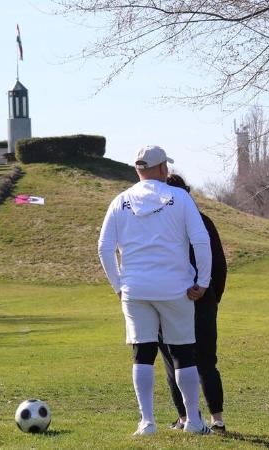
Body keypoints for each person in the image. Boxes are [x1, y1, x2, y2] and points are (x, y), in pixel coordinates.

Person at [97, 145, 213, 436]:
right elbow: (201, 241)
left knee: (142, 353)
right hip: (176, 288)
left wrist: (118, 285)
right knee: (183, 352)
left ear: (138, 170)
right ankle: (194, 421)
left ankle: (147, 422)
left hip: (135, 289)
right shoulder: (181, 198)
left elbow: (104, 248)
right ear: (162, 168)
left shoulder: (120, 201)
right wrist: (203, 281)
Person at [159, 174, 227, 433]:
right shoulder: (204, 221)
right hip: (203, 300)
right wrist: (211, 296)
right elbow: (219, 266)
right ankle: (217, 419)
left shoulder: (160, 225)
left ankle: (186, 417)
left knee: (173, 360)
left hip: (169, 300)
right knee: (207, 361)